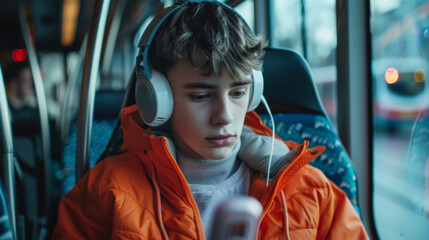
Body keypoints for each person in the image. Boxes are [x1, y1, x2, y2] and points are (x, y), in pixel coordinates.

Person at [52, 1, 369, 239]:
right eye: (201, 96)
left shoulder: (311, 191)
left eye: (237, 93)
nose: (225, 117)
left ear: (254, 92)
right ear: (156, 98)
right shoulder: (106, 194)